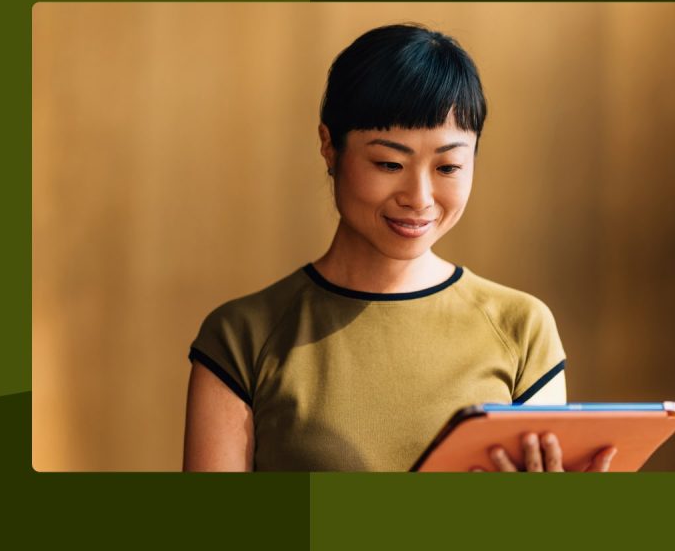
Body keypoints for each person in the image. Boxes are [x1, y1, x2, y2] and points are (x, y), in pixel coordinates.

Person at [182, 23, 616, 472]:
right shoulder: (241, 338)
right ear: (329, 146)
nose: (420, 197)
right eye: (389, 162)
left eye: (448, 166)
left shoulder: (522, 329)